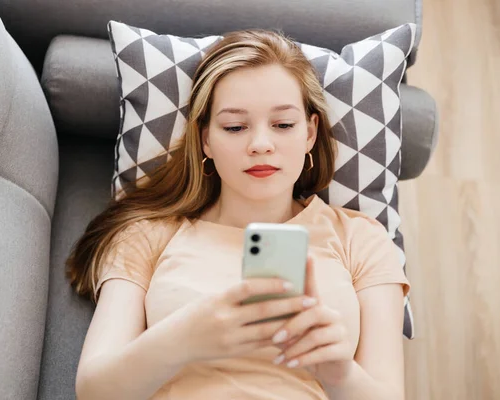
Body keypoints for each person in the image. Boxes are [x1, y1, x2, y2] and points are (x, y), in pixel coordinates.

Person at [66, 29, 410, 400]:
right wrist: (184, 339)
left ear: (310, 134)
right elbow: (94, 391)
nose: (260, 144)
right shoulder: (146, 235)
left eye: (283, 125)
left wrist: (337, 372)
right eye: (235, 127)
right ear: (205, 140)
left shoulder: (362, 240)